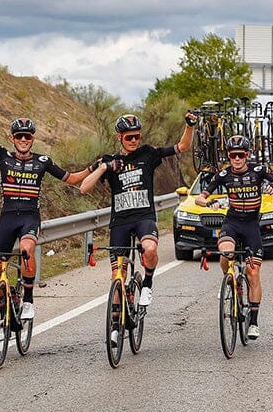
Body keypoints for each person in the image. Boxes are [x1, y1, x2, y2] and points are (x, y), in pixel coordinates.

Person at [0, 91, 92, 327]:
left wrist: (93, 168)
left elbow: (71, 179)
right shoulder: (3, 157)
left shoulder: (43, 162)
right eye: (19, 135)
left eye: (27, 136)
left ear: (32, 139)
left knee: (27, 250)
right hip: (7, 219)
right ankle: (3, 315)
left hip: (30, 218)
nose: (23, 139)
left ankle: (28, 300)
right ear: (12, 138)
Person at [80, 112, 196, 318]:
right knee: (118, 275)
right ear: (119, 137)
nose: (134, 141)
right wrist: (104, 167)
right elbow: (83, 188)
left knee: (150, 249)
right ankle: (115, 324)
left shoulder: (148, 153)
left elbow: (182, 147)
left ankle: (148, 284)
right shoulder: (110, 161)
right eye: (129, 137)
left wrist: (190, 126)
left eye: (137, 136)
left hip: (144, 217)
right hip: (120, 222)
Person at [195, 135, 273, 340]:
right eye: (233, 155)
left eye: (240, 155)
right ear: (228, 156)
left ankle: (253, 323)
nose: (236, 159)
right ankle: (228, 280)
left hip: (252, 225)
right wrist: (209, 203)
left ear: (247, 155)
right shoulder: (224, 174)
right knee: (226, 253)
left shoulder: (259, 170)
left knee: (253, 273)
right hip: (232, 223)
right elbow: (201, 197)